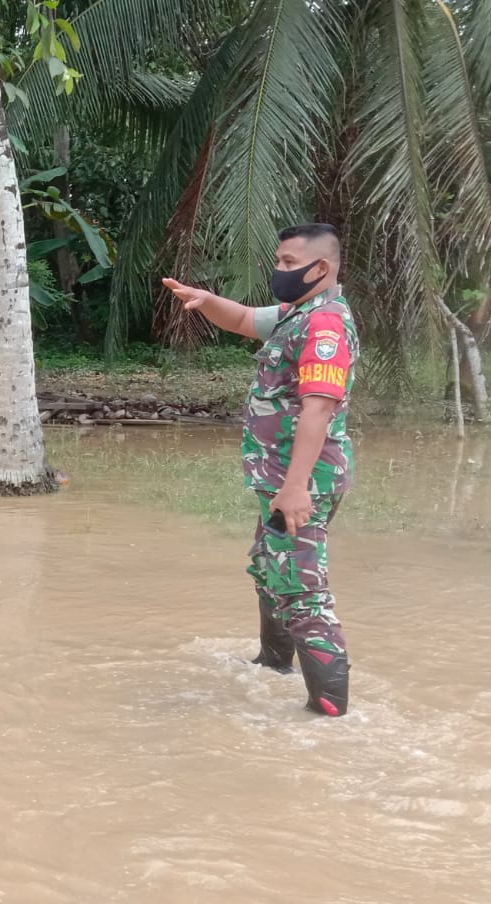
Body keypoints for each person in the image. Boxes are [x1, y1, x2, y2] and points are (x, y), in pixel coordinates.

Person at [162, 223, 358, 717]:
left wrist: (294, 489)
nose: (279, 270)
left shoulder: (325, 326)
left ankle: (329, 717)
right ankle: (272, 666)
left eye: (290, 263)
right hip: (279, 482)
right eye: (280, 261)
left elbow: (318, 409)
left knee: (301, 589)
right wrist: (205, 299)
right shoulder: (298, 312)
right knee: (270, 571)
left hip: (301, 482)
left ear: (323, 268)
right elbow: (247, 319)